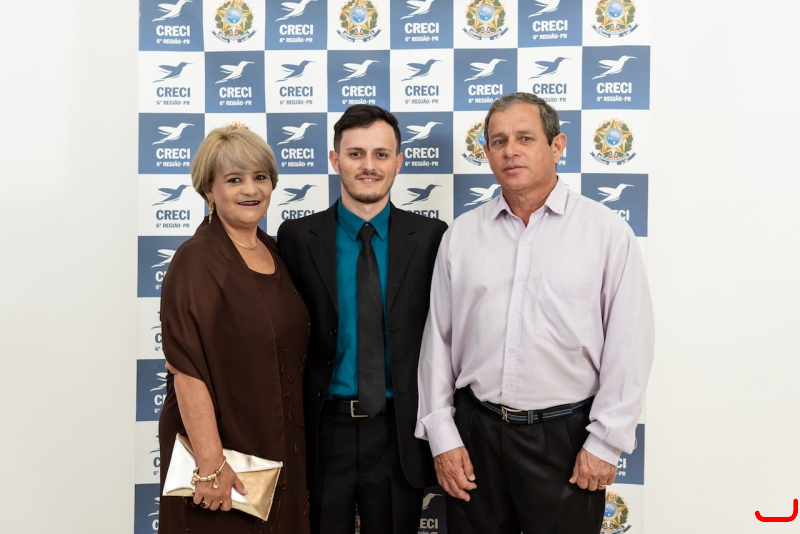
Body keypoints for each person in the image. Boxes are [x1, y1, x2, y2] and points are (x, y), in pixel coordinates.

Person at [415, 92, 655, 534]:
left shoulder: (605, 233)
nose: (511, 151)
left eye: (525, 138)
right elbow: (438, 344)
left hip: (566, 441)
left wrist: (606, 443)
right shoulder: (462, 235)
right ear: (487, 152)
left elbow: (629, 344)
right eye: (499, 141)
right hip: (476, 436)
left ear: (557, 145)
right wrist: (442, 436)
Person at [278, 105, 446, 534]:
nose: (368, 165)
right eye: (355, 154)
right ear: (335, 160)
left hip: (398, 431)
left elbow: (448, 336)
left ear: (398, 162)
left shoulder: (432, 238)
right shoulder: (296, 238)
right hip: (323, 430)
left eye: (381, 154)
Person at [158, 125, 310, 533]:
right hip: (224, 462)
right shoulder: (197, 259)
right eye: (234, 179)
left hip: (275, 447)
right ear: (209, 189)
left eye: (260, 177)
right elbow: (187, 370)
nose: (251, 189)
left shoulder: (273, 249)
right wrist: (210, 465)